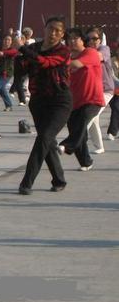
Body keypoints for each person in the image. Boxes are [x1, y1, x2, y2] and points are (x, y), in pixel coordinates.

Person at [18, 16, 71, 195]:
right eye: (50, 29)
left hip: (60, 101)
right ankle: (59, 179)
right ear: (45, 29)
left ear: (62, 34)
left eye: (57, 30)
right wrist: (19, 57)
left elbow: (46, 63)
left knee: (44, 138)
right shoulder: (33, 48)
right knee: (46, 140)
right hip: (38, 101)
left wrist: (23, 49)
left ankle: (26, 182)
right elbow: (22, 70)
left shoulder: (63, 51)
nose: (53, 33)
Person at [57, 28, 105, 172]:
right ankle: (86, 161)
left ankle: (65, 145)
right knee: (77, 130)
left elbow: (76, 65)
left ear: (82, 40)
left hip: (92, 100)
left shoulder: (90, 53)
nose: (72, 41)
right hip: (75, 102)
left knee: (81, 124)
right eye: (69, 38)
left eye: (75, 38)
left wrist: (58, 63)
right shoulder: (68, 57)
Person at [85, 27, 113, 154]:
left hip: (106, 90)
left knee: (91, 115)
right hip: (93, 90)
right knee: (94, 117)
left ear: (100, 40)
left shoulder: (104, 49)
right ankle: (99, 146)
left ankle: (73, 140)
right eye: (88, 38)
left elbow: (97, 57)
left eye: (95, 38)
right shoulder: (86, 51)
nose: (91, 41)